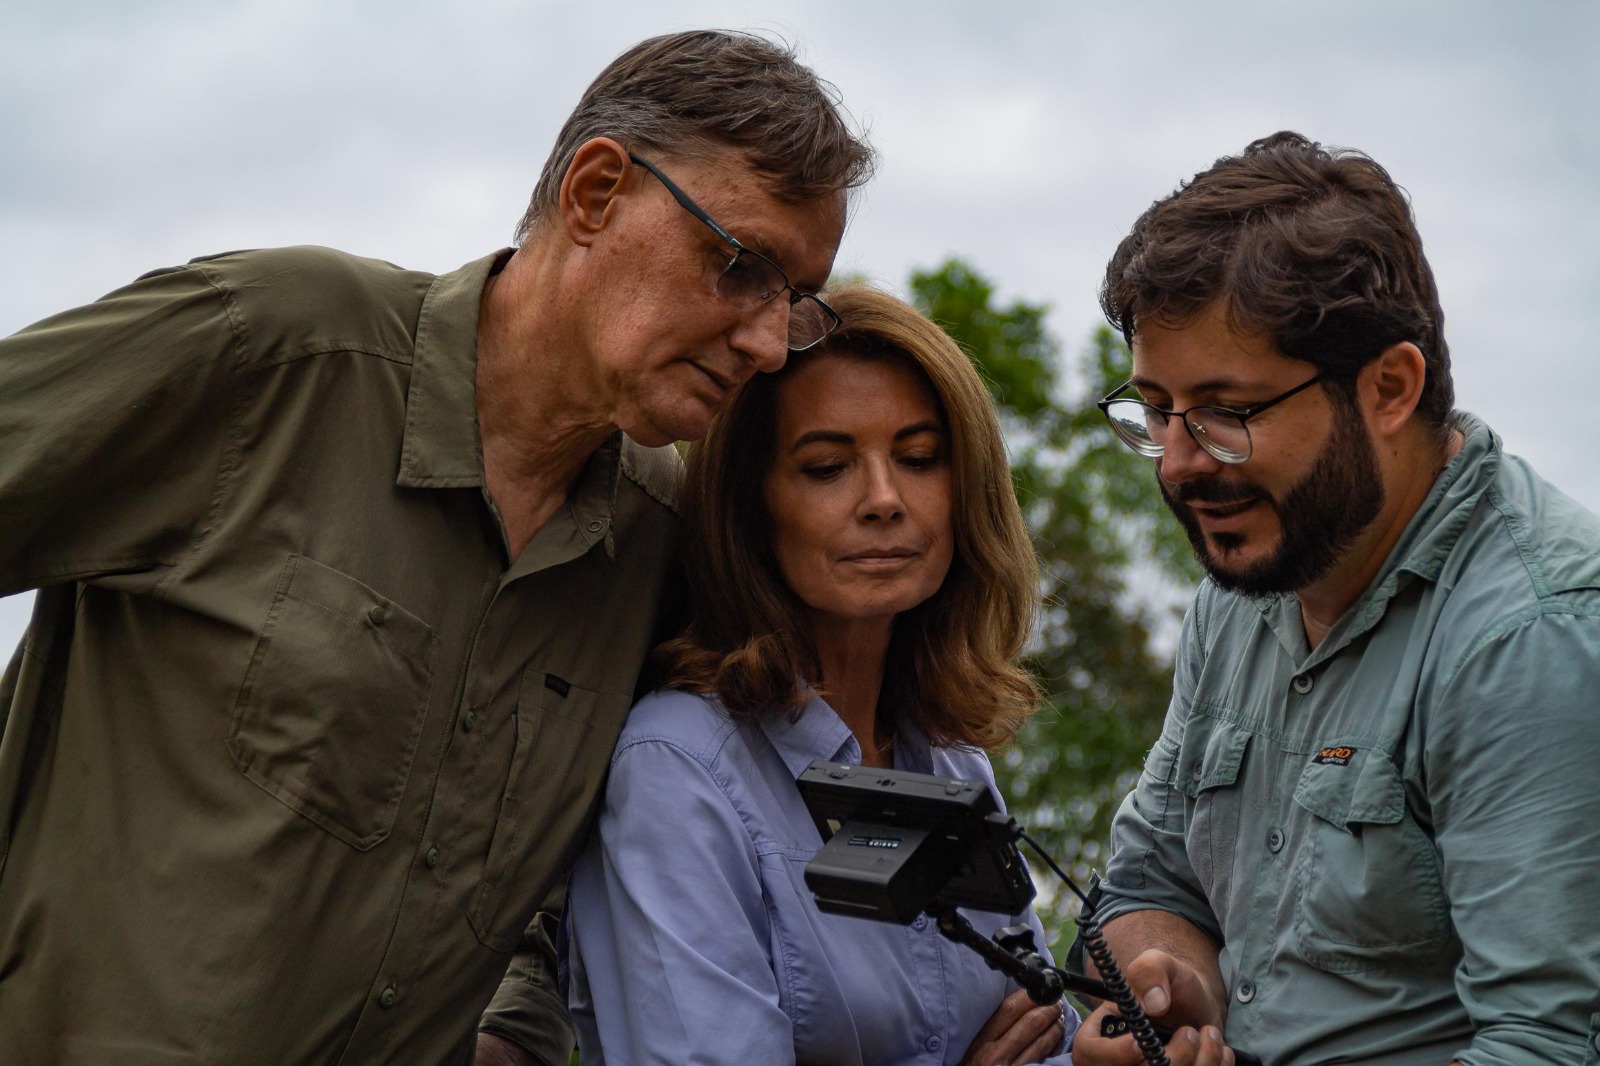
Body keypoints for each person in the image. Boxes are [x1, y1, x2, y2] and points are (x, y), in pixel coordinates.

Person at [0, 30, 873, 1066]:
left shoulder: (659, 541)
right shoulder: (271, 351)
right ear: (595, 192)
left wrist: (514, 1029)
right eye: (741, 267)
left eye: (796, 300)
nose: (768, 342)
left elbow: (584, 872)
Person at [1070, 132, 1600, 1066]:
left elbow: (1545, 1046)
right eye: (1157, 412)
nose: (1185, 464)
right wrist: (1164, 992)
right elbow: (1150, 881)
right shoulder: (1248, 579)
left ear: (1390, 388)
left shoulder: (1532, 636)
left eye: (1229, 413)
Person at [563, 286, 1081, 1065]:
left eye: (918, 458)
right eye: (828, 466)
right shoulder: (676, 770)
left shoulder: (948, 759)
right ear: (751, 507)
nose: (883, 499)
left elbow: (1042, 1035)